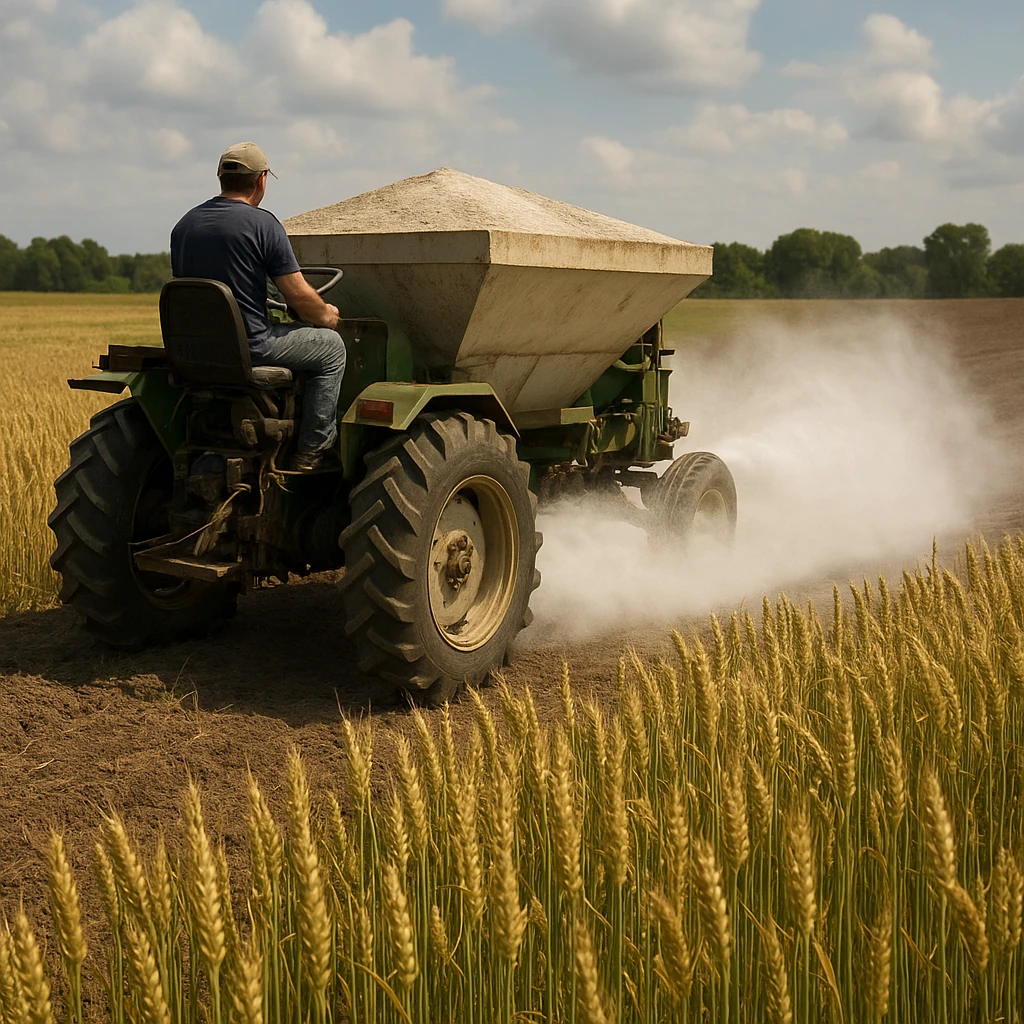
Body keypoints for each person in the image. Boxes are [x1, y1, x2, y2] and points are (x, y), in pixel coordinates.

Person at [170, 142, 346, 472]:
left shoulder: (184, 226)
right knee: (332, 349)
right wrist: (325, 315)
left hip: (194, 352)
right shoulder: (263, 225)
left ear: (221, 179)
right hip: (252, 347)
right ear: (261, 180)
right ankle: (313, 452)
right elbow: (297, 296)